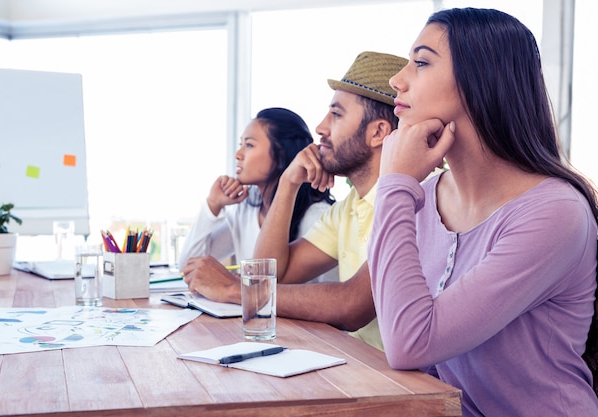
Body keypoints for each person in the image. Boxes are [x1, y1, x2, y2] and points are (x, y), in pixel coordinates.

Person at [368, 7, 598, 417]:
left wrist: (394, 184)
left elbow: (409, 343)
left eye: (420, 63)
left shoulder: (555, 213)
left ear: (480, 80)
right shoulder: (422, 197)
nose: (396, 80)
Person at [184, 52, 408, 351]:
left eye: (336, 115)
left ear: (378, 132)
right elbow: (277, 275)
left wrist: (231, 289)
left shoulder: (412, 199)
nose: (320, 127)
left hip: (401, 382)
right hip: (361, 367)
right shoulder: (348, 208)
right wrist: (288, 184)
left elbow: (352, 306)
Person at [179, 107, 338, 285]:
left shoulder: (318, 217)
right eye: (241, 145)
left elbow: (332, 292)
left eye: (249, 145)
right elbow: (188, 267)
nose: (238, 155)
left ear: (281, 155)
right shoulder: (245, 210)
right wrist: (212, 205)